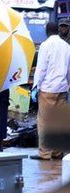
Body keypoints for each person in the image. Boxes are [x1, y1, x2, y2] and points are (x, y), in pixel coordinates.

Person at [30, 22, 70, 160]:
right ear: (58, 30)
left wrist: (36, 86)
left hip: (47, 89)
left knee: (44, 121)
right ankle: (57, 152)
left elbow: (41, 69)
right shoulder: (66, 46)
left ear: (47, 31)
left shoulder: (45, 46)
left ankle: (45, 153)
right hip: (62, 88)